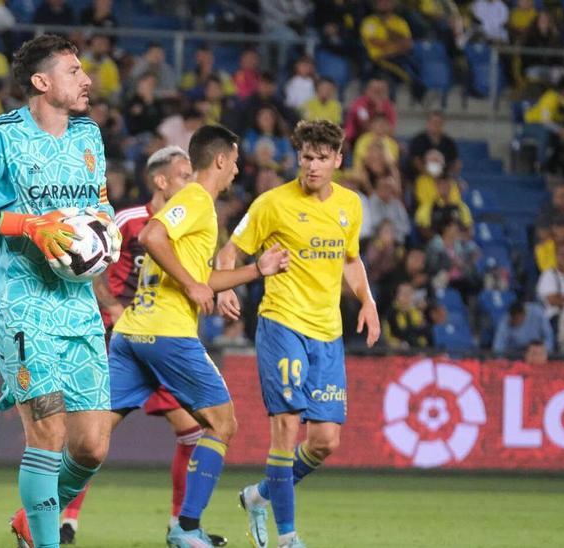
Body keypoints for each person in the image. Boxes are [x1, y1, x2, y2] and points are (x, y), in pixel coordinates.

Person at [0, 34, 114, 548]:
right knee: (47, 433)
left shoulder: (89, 135)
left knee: (90, 448)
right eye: (74, 70)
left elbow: (98, 199)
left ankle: (31, 516)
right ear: (42, 82)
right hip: (24, 307)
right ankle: (44, 539)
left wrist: (105, 231)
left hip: (79, 309)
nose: (87, 80)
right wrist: (30, 226)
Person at [105, 129, 286, 548]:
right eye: (236, 161)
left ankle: (31, 514)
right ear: (221, 161)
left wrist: (256, 270)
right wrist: (191, 286)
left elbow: (201, 275)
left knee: (92, 440)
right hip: (168, 333)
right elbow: (151, 237)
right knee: (222, 424)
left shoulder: (196, 205)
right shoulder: (197, 198)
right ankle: (186, 530)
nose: (238, 170)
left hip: (133, 333)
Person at [218, 119, 379, 548]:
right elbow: (230, 249)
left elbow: (350, 259)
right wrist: (227, 286)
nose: (312, 166)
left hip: (328, 334)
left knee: (325, 441)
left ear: (338, 161)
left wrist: (368, 301)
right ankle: (288, 538)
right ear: (298, 157)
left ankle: (259, 495)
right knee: (286, 429)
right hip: (282, 324)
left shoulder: (350, 205)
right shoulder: (272, 203)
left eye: (322, 158)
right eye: (306, 157)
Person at [64, 146, 228, 546]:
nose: (192, 182)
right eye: (184, 174)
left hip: (160, 336)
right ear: (161, 181)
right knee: (93, 438)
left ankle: (180, 525)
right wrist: (113, 307)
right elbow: (93, 265)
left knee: (192, 430)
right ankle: (65, 518)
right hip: (121, 333)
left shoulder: (185, 223)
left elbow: (199, 273)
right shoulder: (131, 221)